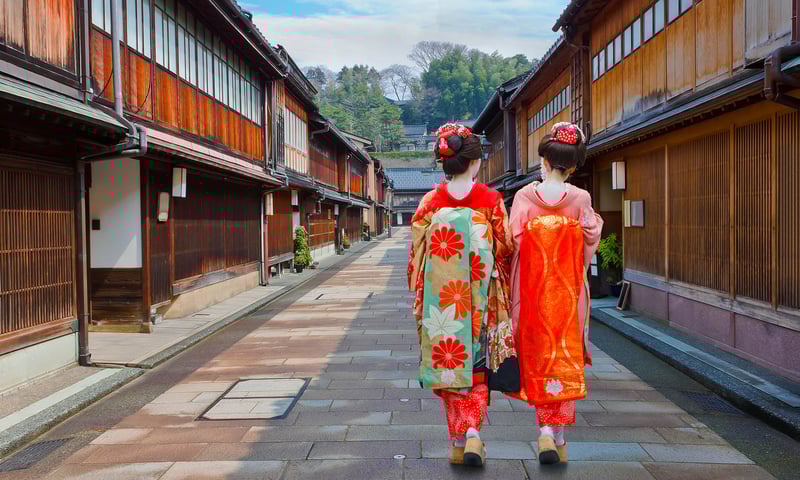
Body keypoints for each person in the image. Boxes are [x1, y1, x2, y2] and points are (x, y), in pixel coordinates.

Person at [408, 123, 516, 467]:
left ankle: (458, 439)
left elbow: (417, 254)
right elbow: (506, 248)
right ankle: (472, 435)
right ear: (475, 163)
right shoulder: (490, 201)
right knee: (478, 365)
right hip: (480, 299)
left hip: (441, 301)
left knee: (447, 365)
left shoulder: (430, 203)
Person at [508, 122, 603, 465]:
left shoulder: (523, 197)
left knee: (537, 353)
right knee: (564, 354)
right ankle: (555, 432)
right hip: (567, 292)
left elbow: (512, 242)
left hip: (532, 293)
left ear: (543, 161)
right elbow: (590, 239)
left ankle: (545, 429)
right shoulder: (580, 198)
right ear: (574, 166)